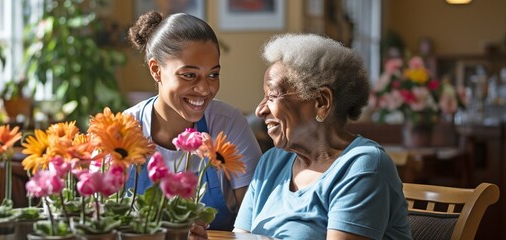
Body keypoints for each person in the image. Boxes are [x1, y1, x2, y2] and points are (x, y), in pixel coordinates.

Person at [192, 33, 412, 239]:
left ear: (321, 102)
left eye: (273, 96)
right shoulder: (272, 162)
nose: (260, 110)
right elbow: (241, 236)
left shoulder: (362, 167)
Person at [123, 11, 262, 231]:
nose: (205, 88)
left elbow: (255, 223)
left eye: (213, 75)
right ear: (156, 70)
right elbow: (97, 217)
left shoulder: (229, 124)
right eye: (189, 75)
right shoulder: (123, 130)